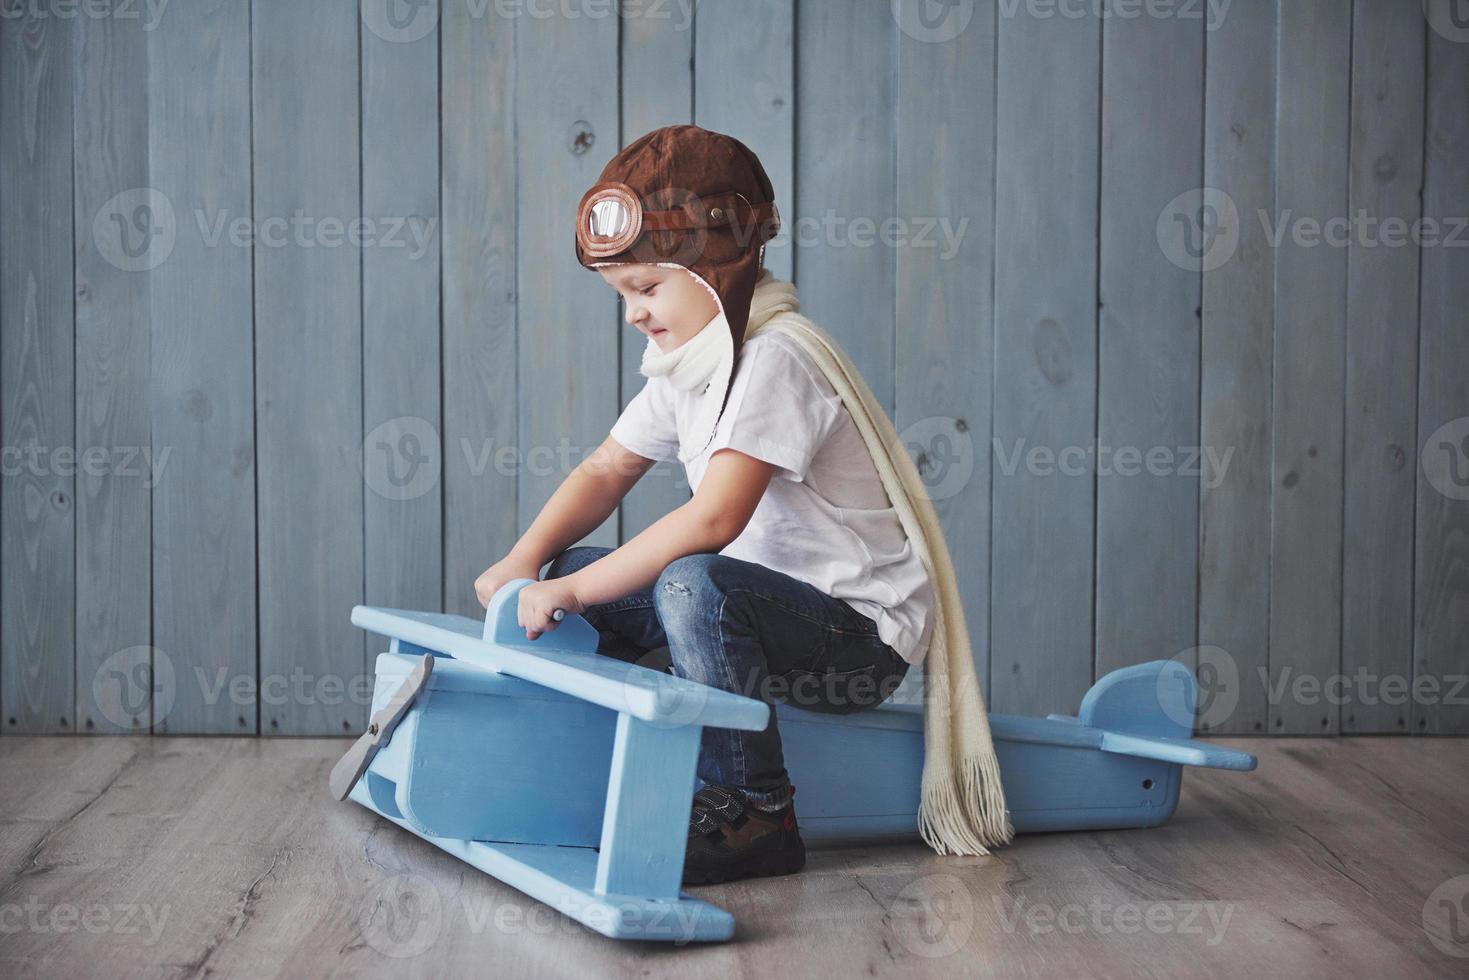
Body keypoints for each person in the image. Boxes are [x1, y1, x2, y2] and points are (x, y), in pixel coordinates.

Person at [473, 125, 936, 885]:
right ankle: (605, 747)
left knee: (690, 580)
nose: (633, 314)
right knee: (576, 572)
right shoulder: (689, 371)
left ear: (720, 270)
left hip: (853, 640)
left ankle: (757, 810)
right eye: (622, 295)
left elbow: (717, 521)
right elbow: (605, 470)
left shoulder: (776, 359)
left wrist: (573, 590)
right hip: (755, 617)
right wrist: (530, 563)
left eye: (646, 288)